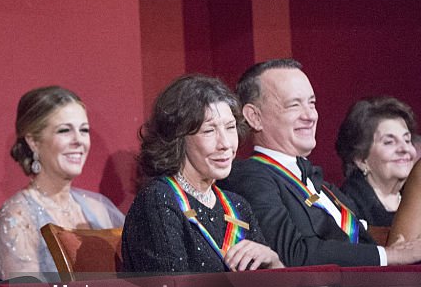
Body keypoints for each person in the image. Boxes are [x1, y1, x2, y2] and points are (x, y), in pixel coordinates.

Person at [222, 59, 421, 267]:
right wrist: (391, 256)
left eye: (312, 103)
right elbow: (292, 254)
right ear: (254, 117)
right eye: (294, 105)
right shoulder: (250, 176)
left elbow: (362, 236)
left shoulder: (323, 186)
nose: (310, 116)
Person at [122, 75, 282, 273]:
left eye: (230, 127)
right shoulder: (159, 200)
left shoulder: (237, 206)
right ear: (178, 138)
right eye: (209, 131)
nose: (225, 144)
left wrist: (273, 262)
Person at [0, 86, 124, 280]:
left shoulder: (99, 207)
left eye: (84, 130)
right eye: (64, 130)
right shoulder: (18, 216)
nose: (79, 141)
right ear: (33, 141)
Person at [335, 96, 417, 228]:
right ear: (361, 159)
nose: (404, 149)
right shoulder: (348, 206)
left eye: (407, 140)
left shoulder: (415, 195)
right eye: (389, 142)